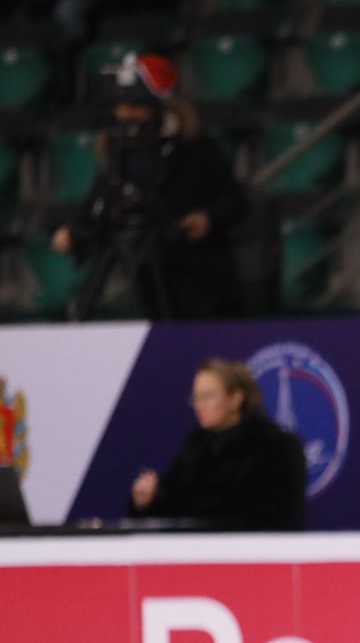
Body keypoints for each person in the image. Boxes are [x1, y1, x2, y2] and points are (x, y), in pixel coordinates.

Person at [51, 53, 248, 321]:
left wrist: (207, 218)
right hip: (140, 280)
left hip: (197, 282)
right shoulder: (117, 157)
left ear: (159, 107)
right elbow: (98, 207)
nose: (126, 114)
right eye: (120, 105)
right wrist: (73, 233)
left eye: (135, 105)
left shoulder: (196, 150)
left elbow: (235, 202)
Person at [129, 359, 306, 530]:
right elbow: (171, 509)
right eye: (196, 397)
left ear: (236, 398)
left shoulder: (276, 447)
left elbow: (280, 518)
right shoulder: (197, 447)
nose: (199, 405)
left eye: (208, 396)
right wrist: (147, 500)